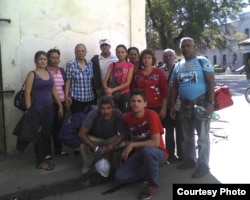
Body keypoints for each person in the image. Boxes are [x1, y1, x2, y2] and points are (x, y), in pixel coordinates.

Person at [170, 37, 215, 178]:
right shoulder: (178, 65)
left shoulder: (203, 62)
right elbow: (175, 87)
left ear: (194, 47)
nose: (185, 49)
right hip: (184, 104)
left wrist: (210, 103)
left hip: (201, 103)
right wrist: (172, 106)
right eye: (183, 46)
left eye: (188, 46)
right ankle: (190, 160)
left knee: (202, 137)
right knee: (186, 136)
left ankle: (203, 165)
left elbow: (211, 82)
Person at [115, 88, 168, 200]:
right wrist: (125, 147)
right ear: (129, 103)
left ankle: (153, 186)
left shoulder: (152, 115)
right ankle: (148, 170)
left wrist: (132, 145)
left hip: (158, 152)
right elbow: (129, 135)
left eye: (139, 101)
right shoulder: (126, 117)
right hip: (140, 153)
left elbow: (155, 142)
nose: (135, 104)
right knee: (120, 177)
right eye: (133, 101)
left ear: (145, 104)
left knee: (147, 151)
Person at [24, 51, 63, 170]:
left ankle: (43, 158)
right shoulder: (32, 74)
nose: (42, 61)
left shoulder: (49, 74)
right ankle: (40, 162)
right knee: (39, 135)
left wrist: (60, 105)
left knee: (46, 134)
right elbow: (27, 93)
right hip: (37, 108)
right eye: (40, 59)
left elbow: (54, 91)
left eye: (44, 59)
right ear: (36, 61)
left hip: (49, 108)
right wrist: (29, 110)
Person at [78, 95, 126, 175]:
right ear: (99, 109)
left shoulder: (117, 113)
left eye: (108, 108)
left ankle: (117, 163)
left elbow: (122, 134)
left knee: (123, 144)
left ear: (113, 108)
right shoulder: (93, 114)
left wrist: (111, 146)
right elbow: (81, 134)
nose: (106, 111)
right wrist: (96, 148)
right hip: (96, 138)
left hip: (111, 138)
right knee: (83, 146)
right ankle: (88, 165)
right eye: (103, 108)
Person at [131, 48, 168, 121]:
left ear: (152, 60)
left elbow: (165, 91)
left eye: (149, 58)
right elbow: (133, 91)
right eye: (144, 58)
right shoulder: (137, 74)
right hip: (141, 107)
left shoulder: (159, 72)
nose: (146, 59)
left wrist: (164, 108)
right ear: (141, 60)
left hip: (157, 106)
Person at [160, 49, 183, 163]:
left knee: (180, 131)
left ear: (175, 57)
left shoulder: (180, 69)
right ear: (163, 58)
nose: (168, 58)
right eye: (166, 56)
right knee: (169, 131)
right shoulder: (160, 71)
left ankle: (181, 154)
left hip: (179, 105)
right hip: (167, 106)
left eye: (170, 55)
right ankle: (170, 154)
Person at [45, 48, 68, 160]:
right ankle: (47, 151)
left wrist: (66, 99)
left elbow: (64, 86)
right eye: (52, 57)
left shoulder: (62, 71)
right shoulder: (45, 71)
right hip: (49, 103)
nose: (55, 60)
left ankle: (59, 149)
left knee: (58, 127)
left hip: (61, 103)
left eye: (57, 57)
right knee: (48, 128)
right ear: (48, 58)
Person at [103, 44, 134, 113]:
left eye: (122, 52)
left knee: (125, 114)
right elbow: (105, 81)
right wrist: (107, 91)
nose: (120, 54)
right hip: (113, 95)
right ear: (116, 54)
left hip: (125, 94)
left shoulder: (130, 65)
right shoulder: (112, 65)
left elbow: (127, 83)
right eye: (118, 52)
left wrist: (112, 89)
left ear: (126, 53)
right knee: (114, 114)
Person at [65, 43, 95, 114]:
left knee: (88, 121)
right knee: (77, 121)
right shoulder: (71, 64)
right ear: (75, 52)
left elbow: (91, 80)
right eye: (78, 51)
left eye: (83, 51)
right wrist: (67, 97)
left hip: (89, 98)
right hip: (76, 98)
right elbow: (68, 82)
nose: (80, 53)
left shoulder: (90, 63)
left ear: (86, 53)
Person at [91, 39, 118, 103]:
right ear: (100, 47)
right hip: (100, 87)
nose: (104, 47)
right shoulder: (95, 60)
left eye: (106, 45)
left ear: (110, 47)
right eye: (102, 46)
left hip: (113, 87)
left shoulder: (115, 59)